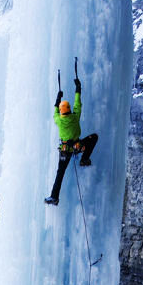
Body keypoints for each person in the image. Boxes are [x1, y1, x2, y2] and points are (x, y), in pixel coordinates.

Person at [45, 74, 98, 206]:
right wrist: (78, 88)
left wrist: (58, 98)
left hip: (64, 152)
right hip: (78, 147)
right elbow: (77, 104)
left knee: (60, 173)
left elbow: (55, 113)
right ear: (69, 111)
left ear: (62, 112)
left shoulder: (58, 120)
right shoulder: (75, 117)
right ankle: (84, 159)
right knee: (94, 138)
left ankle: (54, 197)